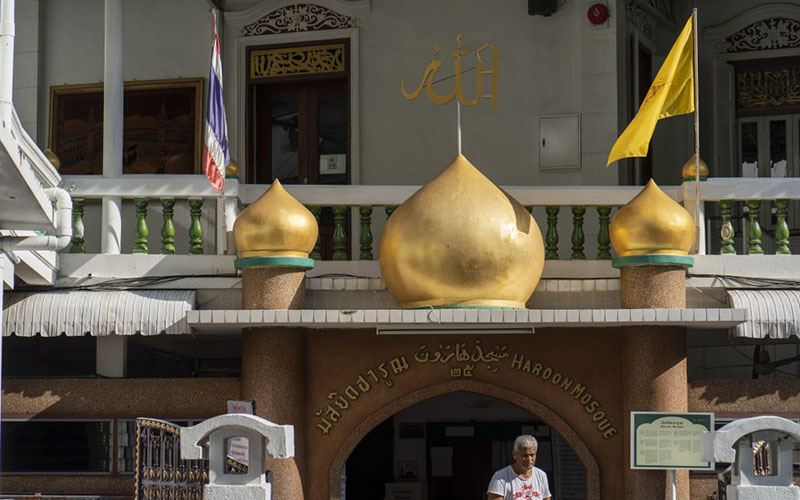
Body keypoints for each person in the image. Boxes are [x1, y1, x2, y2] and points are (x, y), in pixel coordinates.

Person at [487, 435, 552, 500]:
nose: (529, 459)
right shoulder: (500, 477)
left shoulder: (541, 475)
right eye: (525, 455)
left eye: (532, 455)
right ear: (515, 454)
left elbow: (546, 498)